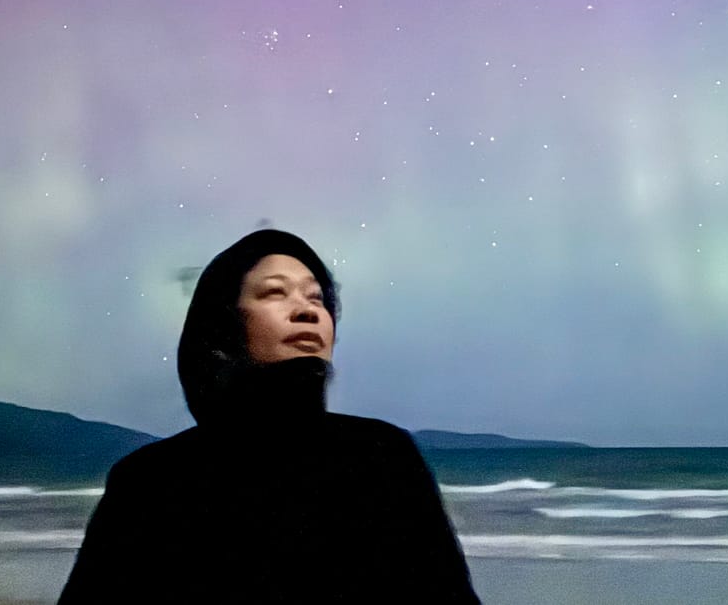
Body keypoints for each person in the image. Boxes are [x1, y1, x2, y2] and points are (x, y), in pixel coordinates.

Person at [57, 228, 481, 603]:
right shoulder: (149, 482)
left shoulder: (384, 458)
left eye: (317, 298)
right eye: (275, 293)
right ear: (224, 325)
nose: (307, 310)